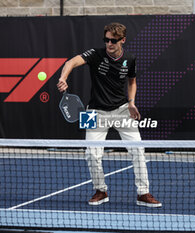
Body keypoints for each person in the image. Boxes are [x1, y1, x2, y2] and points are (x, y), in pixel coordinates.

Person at [57, 22, 161, 207]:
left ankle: (143, 193)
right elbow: (71, 62)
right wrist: (63, 78)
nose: (109, 44)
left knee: (138, 150)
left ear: (122, 40)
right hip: (94, 111)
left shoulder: (130, 58)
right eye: (106, 40)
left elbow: (132, 82)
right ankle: (100, 190)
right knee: (91, 154)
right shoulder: (95, 54)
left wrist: (131, 103)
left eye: (113, 40)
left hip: (122, 109)